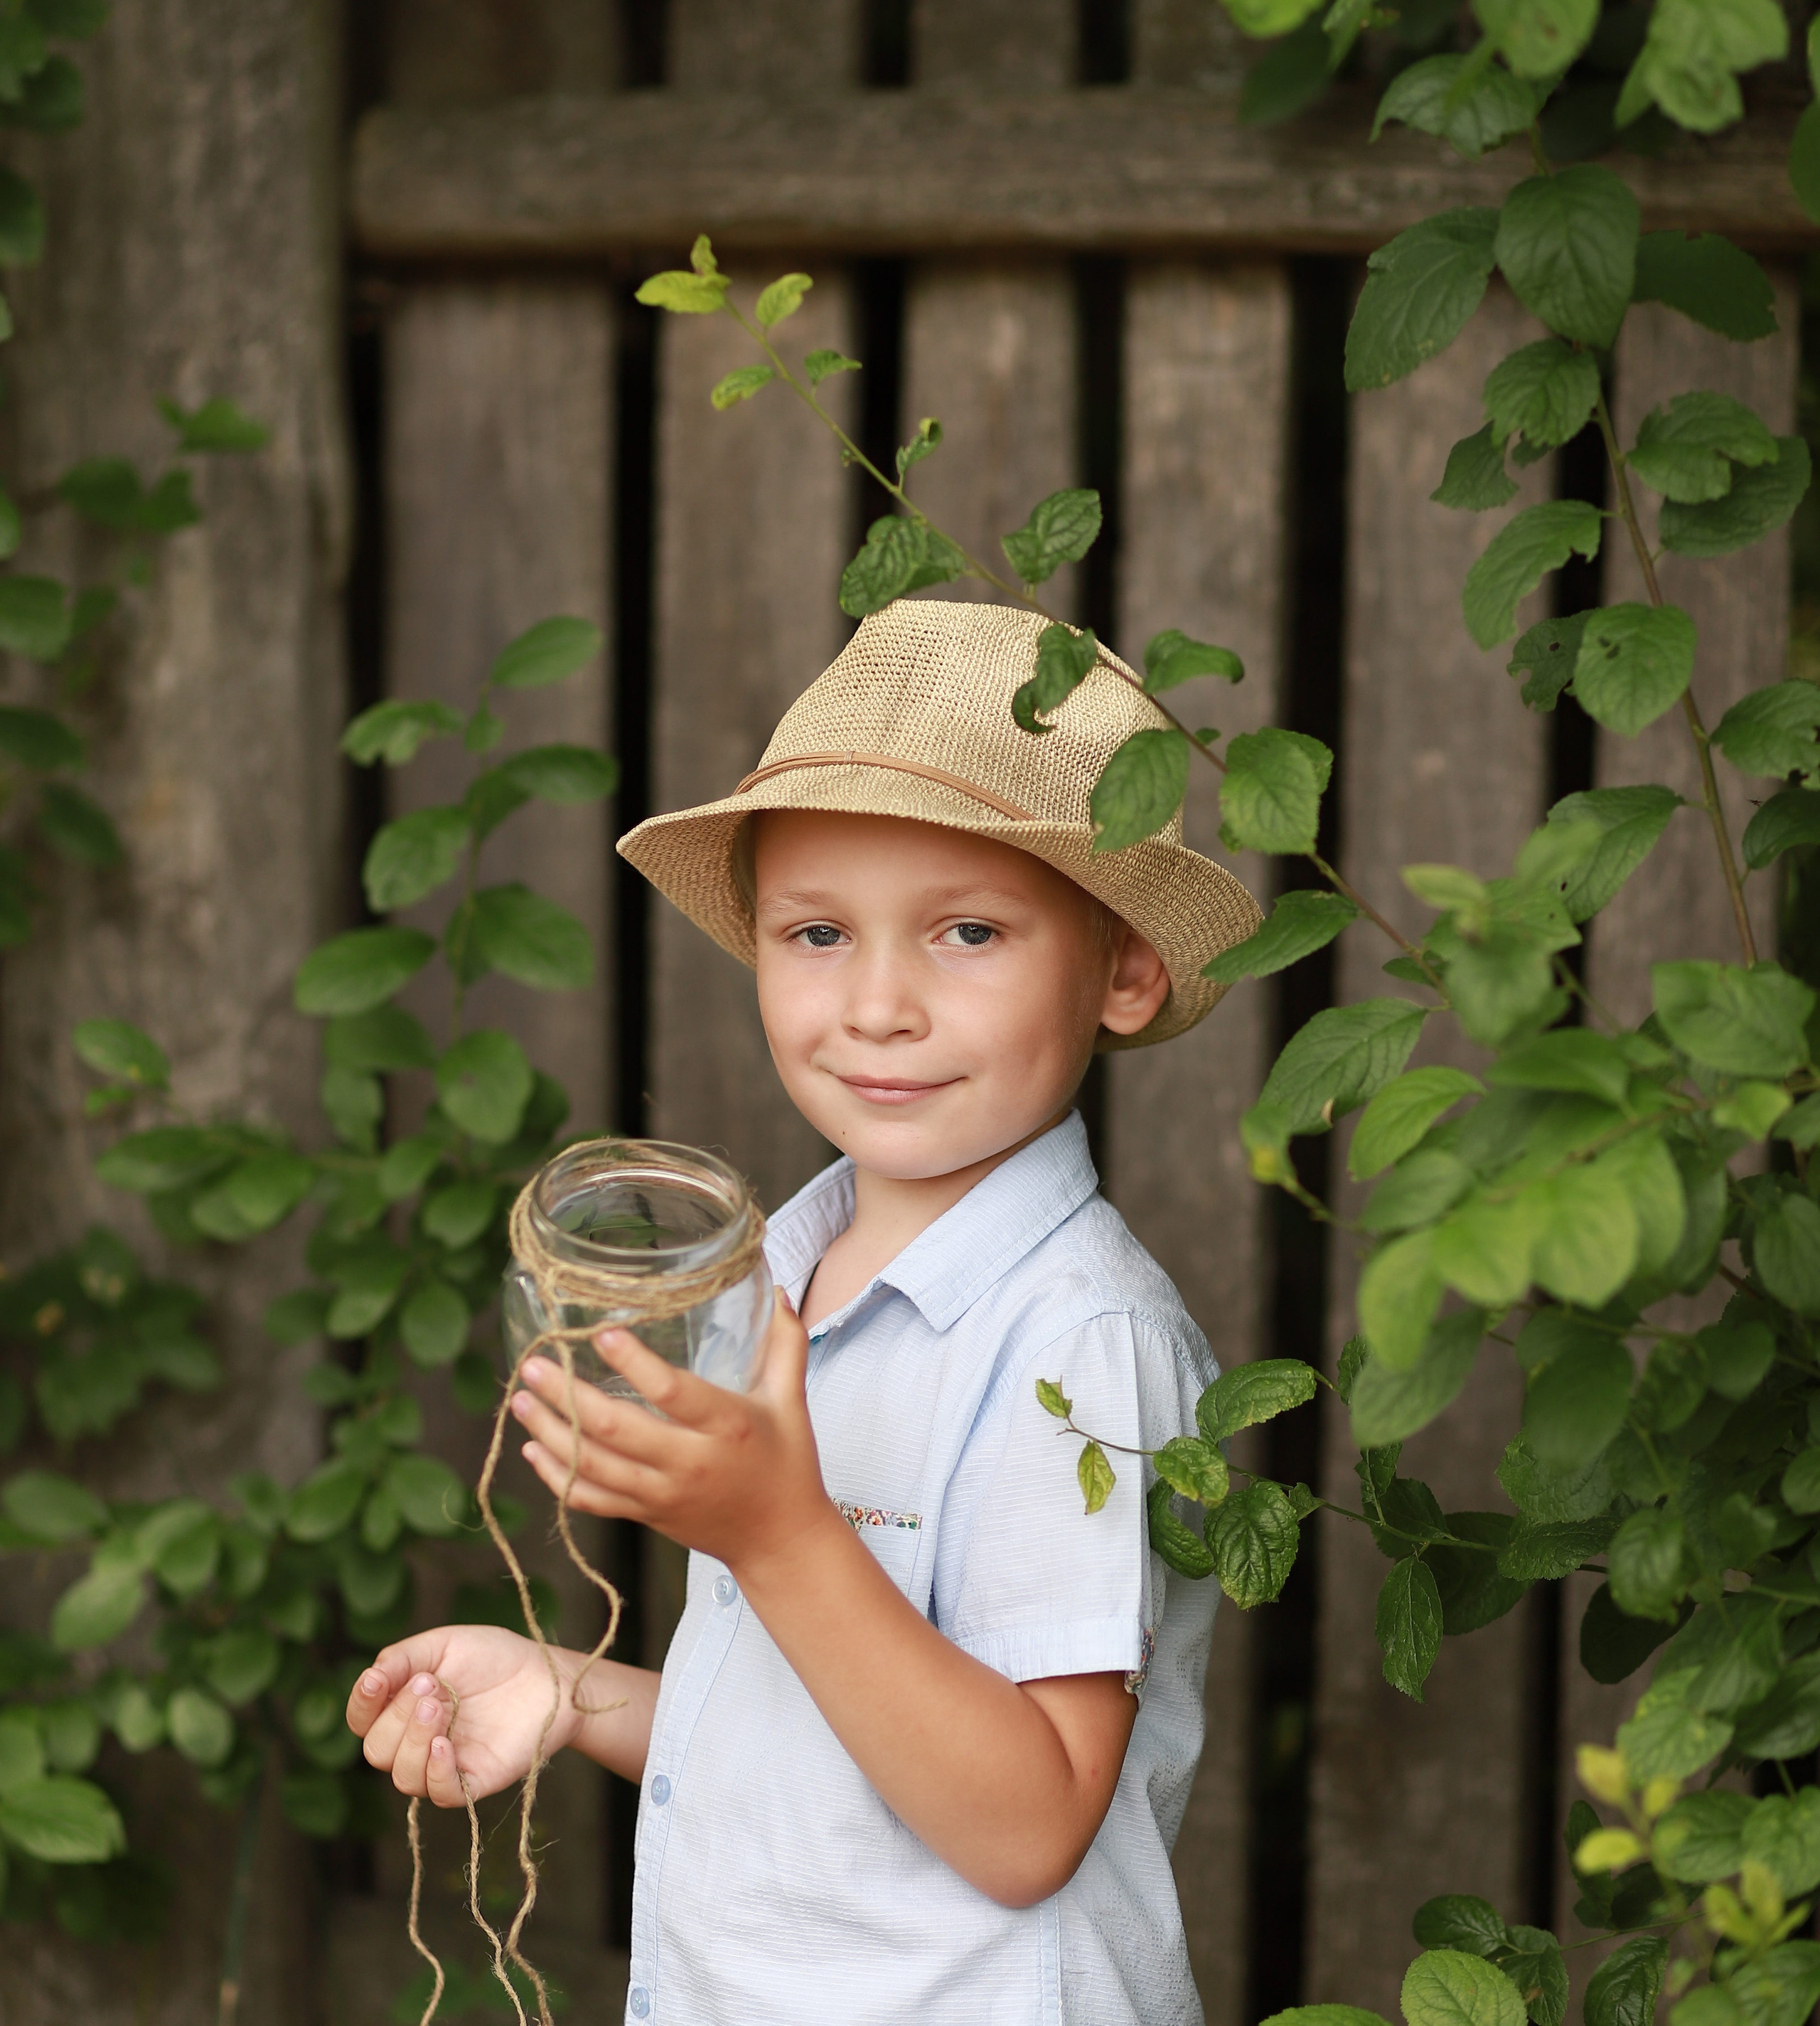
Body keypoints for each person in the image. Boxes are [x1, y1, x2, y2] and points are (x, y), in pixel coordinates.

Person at [346, 598, 1260, 2025]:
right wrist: (570, 1693)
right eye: (818, 932)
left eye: (966, 930)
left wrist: (775, 1533)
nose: (878, 1004)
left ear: (1124, 972)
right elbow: (835, 1741)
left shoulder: (1080, 1344)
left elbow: (1024, 1826)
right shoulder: (778, 1277)